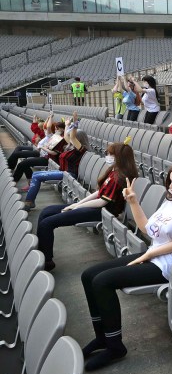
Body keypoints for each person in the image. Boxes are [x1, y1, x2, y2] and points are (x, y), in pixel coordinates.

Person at [80, 163, 172, 371]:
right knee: (89, 275)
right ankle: (101, 337)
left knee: (102, 282)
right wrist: (133, 201)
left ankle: (114, 345)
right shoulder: (170, 202)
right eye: (171, 180)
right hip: (153, 254)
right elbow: (147, 229)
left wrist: (149, 254)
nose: (171, 185)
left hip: (169, 264)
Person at [36, 142, 137, 271]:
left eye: (111, 154)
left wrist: (77, 207)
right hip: (94, 207)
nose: (108, 156)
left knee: (47, 223)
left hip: (102, 212)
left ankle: (46, 261)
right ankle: (41, 252)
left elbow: (102, 202)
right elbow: (99, 193)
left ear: (120, 157)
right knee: (46, 211)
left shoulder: (120, 177)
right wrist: (78, 204)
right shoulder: (113, 171)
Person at [23, 114, 88, 211]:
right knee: (36, 174)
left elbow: (72, 137)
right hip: (64, 172)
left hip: (69, 174)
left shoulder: (81, 149)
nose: (69, 138)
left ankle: (29, 202)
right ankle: (29, 201)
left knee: (36, 176)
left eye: (72, 137)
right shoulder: (70, 146)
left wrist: (75, 123)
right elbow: (68, 136)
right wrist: (67, 125)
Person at [14, 119, 66, 184]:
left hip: (50, 160)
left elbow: (54, 153)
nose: (55, 130)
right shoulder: (56, 136)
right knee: (23, 164)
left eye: (57, 129)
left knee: (23, 164)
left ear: (63, 129)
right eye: (55, 129)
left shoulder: (61, 139)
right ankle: (29, 182)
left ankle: (16, 182)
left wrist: (43, 147)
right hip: (47, 157)